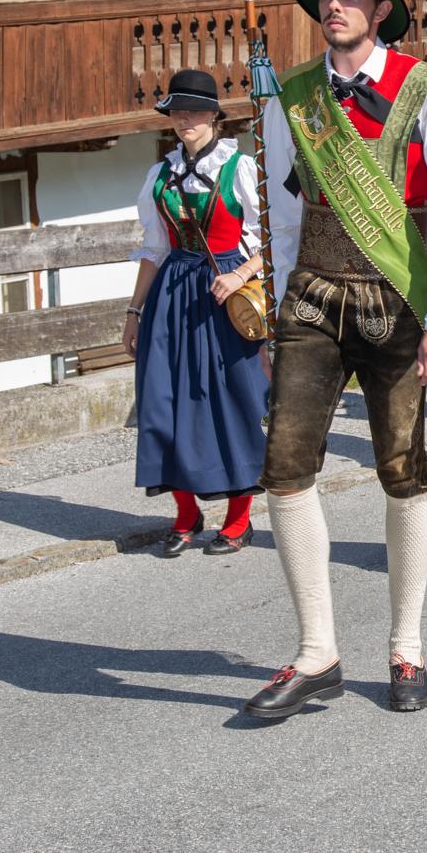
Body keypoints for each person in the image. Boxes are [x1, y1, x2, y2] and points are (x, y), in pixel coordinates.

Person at [248, 0, 427, 719]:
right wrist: (275, 312)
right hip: (311, 302)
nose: (336, 6)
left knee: (402, 471)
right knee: (284, 468)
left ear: (382, 8)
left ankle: (407, 644)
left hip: (398, 305)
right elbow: (283, 217)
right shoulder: (296, 98)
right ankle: (317, 651)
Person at [125, 68, 270, 557]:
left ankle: (238, 518)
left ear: (213, 116)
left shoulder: (241, 169)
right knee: (163, 400)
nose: (184, 120)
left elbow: (273, 238)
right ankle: (186, 515)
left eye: (192, 111)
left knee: (230, 401)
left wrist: (241, 274)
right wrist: (133, 311)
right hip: (172, 294)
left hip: (224, 292)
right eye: (176, 112)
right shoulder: (160, 175)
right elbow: (154, 248)